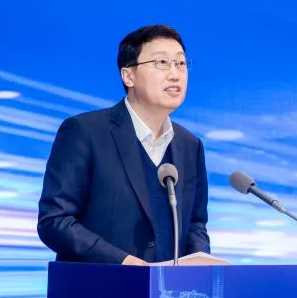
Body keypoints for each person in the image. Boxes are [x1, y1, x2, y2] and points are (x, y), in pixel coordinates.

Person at [37, 24, 210, 265]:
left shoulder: (190, 145)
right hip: (101, 285)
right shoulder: (85, 132)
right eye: (162, 62)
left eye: (181, 63)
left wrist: (198, 264)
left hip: (168, 289)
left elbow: (195, 223)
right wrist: (122, 261)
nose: (175, 74)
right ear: (128, 76)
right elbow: (55, 221)